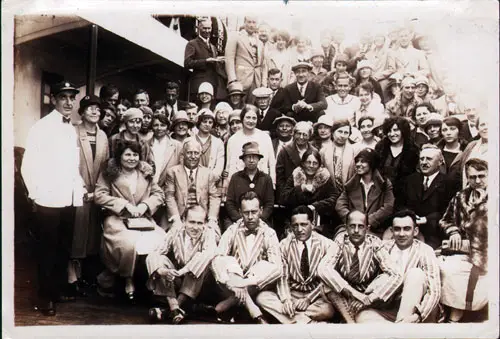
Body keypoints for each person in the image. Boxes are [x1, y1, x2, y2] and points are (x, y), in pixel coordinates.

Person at [21, 81, 86, 316]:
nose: (69, 102)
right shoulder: (42, 127)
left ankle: (56, 289)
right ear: (54, 99)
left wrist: (78, 188)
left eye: (72, 97)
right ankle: (44, 297)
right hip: (48, 198)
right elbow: (29, 165)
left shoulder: (70, 128)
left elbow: (71, 165)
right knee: (46, 249)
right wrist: (36, 195)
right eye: (64, 97)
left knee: (62, 246)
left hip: (67, 198)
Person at [94, 140, 167, 303]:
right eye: (127, 154)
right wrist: (124, 205)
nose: (132, 158)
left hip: (142, 219)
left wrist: (144, 205)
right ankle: (128, 279)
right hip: (117, 218)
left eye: (135, 155)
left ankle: (151, 280)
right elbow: (99, 195)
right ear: (120, 156)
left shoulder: (145, 173)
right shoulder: (109, 173)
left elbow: (159, 194)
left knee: (161, 240)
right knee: (128, 243)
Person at [356, 210, 441, 323]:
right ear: (391, 231)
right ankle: (400, 329)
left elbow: (434, 290)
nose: (401, 234)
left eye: (406, 229)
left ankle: (401, 326)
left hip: (418, 309)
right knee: (363, 317)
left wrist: (418, 316)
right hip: (389, 307)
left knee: (415, 274)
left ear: (415, 231)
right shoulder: (383, 248)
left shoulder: (425, 251)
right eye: (397, 229)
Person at [318, 211, 403, 323]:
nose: (356, 231)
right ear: (346, 228)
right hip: (345, 294)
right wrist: (354, 293)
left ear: (367, 229)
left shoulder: (375, 244)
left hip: (367, 296)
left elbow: (397, 275)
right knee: (327, 283)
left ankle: (355, 313)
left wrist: (371, 297)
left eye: (361, 226)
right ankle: (351, 322)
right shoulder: (340, 242)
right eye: (352, 226)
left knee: (386, 277)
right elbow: (323, 269)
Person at [211, 191, 282, 324]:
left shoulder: (269, 233)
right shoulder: (233, 230)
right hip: (231, 287)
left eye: (254, 212)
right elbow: (217, 259)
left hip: (254, 286)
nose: (250, 217)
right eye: (246, 212)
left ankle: (227, 306)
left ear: (261, 211)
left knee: (266, 265)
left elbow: (277, 269)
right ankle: (255, 313)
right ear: (240, 212)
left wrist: (244, 283)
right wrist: (234, 282)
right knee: (223, 259)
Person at [256, 206, 336, 324]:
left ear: (312, 224)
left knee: (328, 310)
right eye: (295, 225)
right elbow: (283, 277)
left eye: (304, 224)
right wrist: (286, 300)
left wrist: (308, 299)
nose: (299, 229)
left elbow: (326, 281)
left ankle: (290, 319)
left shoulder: (327, 245)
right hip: (292, 293)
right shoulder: (284, 245)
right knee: (262, 298)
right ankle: (307, 322)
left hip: (315, 296)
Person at [146, 205, 218, 324]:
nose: (195, 227)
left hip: (199, 286)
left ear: (205, 223)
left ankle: (172, 308)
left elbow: (208, 254)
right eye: (191, 222)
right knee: (156, 257)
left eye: (200, 223)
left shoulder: (209, 233)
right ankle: (175, 309)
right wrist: (162, 271)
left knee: (202, 259)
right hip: (178, 283)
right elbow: (156, 253)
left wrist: (181, 271)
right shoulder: (176, 230)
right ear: (184, 220)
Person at [438, 159, 488, 322]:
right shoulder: (461, 196)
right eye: (472, 177)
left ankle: (456, 316)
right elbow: (445, 220)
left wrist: (472, 244)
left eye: (481, 176)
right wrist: (453, 232)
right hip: (459, 250)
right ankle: (443, 311)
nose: (477, 181)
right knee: (439, 266)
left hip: (486, 255)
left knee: (455, 272)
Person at [70, 95, 110, 291]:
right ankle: (73, 278)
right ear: (82, 111)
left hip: (97, 193)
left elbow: (106, 167)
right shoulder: (73, 132)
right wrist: (81, 187)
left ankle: (87, 277)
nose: (95, 112)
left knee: (93, 236)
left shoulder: (103, 136)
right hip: (78, 191)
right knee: (76, 234)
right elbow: (69, 164)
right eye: (90, 108)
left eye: (97, 109)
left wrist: (100, 191)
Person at [393, 145, 451, 249]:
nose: (424, 162)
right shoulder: (409, 181)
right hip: (406, 230)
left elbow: (448, 212)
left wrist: (426, 219)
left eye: (429, 159)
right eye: (422, 159)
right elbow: (399, 205)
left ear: (440, 162)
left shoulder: (449, 183)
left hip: (434, 234)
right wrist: (410, 217)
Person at [164, 140, 221, 235]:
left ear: (200, 155)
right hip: (180, 217)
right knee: (174, 237)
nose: (193, 157)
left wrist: (212, 219)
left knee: (213, 236)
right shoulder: (172, 172)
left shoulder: (208, 174)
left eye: (196, 153)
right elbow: (169, 196)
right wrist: (176, 218)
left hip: (202, 218)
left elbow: (214, 197)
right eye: (189, 153)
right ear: (183, 154)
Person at [280, 148, 340, 239]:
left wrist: (316, 206)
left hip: (319, 223)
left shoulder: (325, 177)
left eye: (315, 163)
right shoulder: (296, 175)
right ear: (303, 163)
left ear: (319, 165)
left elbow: (334, 197)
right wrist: (300, 189)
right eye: (308, 162)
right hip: (296, 222)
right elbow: (283, 197)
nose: (311, 166)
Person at [336, 148, 395, 238]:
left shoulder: (384, 184)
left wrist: (369, 221)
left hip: (375, 229)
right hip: (351, 228)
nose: (358, 164)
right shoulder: (351, 184)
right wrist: (353, 220)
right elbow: (340, 205)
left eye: (363, 161)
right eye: (357, 161)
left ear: (372, 163)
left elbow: (388, 207)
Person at [225, 142, 274, 226]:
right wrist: (239, 220)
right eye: (248, 157)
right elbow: (230, 203)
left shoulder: (266, 179)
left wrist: (260, 220)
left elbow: (269, 204)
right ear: (243, 159)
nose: (251, 160)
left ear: (259, 159)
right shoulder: (235, 178)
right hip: (238, 221)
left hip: (260, 221)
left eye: (254, 157)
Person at [226, 104, 276, 185]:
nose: (251, 121)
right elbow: (230, 165)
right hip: (240, 183)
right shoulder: (233, 139)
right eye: (248, 117)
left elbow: (272, 163)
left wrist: (272, 183)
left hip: (262, 183)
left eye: (254, 118)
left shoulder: (265, 137)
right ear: (242, 118)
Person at [375, 117, 420, 203]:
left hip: (403, 196)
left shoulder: (412, 150)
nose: (392, 134)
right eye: (389, 131)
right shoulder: (381, 147)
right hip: (380, 193)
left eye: (396, 130)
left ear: (403, 131)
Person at [184, 18, 227, 102]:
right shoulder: (192, 43)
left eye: (209, 28)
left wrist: (219, 61)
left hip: (212, 86)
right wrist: (206, 61)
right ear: (199, 28)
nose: (207, 31)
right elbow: (187, 63)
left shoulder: (213, 47)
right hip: (198, 86)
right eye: (204, 28)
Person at [225, 16, 268, 98]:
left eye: (254, 22)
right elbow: (229, 59)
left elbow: (263, 65)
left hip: (256, 81)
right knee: (239, 107)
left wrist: (263, 83)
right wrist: (232, 80)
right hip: (240, 80)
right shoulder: (236, 37)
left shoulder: (260, 41)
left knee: (253, 107)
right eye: (249, 22)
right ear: (244, 23)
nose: (251, 25)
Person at [320, 119, 363, 191]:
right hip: (330, 192)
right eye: (340, 131)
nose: (342, 135)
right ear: (333, 132)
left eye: (346, 133)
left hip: (350, 191)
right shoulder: (323, 151)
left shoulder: (355, 151)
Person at [185, 109, 225, 185]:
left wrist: (209, 179)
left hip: (211, 182)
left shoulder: (218, 142)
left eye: (210, 122)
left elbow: (219, 166)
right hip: (191, 182)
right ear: (199, 123)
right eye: (204, 121)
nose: (207, 124)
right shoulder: (188, 141)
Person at [449, 115, 488, 190]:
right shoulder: (471, 145)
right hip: (469, 193)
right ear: (477, 128)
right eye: (482, 125)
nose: (486, 127)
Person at [276, 121, 315, 195]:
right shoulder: (284, 151)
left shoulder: (314, 151)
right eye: (298, 134)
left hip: (309, 192)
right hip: (290, 192)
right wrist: (284, 194)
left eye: (305, 135)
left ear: (309, 136)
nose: (301, 137)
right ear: (294, 134)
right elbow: (280, 176)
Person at [147, 114, 182, 187]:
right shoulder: (145, 144)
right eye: (156, 125)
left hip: (169, 187)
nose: (159, 128)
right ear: (151, 127)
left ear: (167, 127)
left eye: (162, 125)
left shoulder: (177, 146)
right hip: (148, 187)